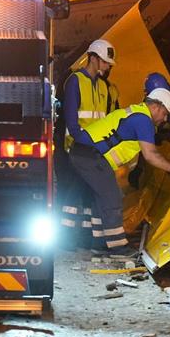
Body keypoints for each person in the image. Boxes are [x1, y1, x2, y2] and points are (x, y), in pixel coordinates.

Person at [69, 88, 170, 250]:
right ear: (156, 106)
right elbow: (151, 155)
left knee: (100, 197)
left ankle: (98, 243)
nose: (164, 119)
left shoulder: (136, 113)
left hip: (83, 151)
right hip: (91, 154)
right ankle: (116, 246)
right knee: (112, 197)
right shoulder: (143, 120)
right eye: (165, 114)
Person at [57, 39, 119, 245]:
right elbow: (71, 121)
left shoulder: (103, 86)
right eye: (105, 62)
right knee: (76, 190)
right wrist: (86, 143)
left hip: (93, 149)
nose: (108, 66)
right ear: (93, 58)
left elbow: (105, 120)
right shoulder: (75, 81)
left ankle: (83, 238)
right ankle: (68, 238)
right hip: (77, 147)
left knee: (86, 191)